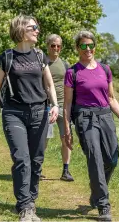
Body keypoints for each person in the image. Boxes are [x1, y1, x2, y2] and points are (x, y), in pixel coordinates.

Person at [0, 15, 59, 222]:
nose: (38, 30)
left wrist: (55, 105)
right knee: (21, 159)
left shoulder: (40, 56)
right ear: (21, 30)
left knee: (36, 161)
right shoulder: (7, 57)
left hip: (39, 113)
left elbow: (49, 85)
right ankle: (25, 207)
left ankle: (30, 203)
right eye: (34, 27)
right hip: (14, 113)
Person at [63, 30, 119, 221]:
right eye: (83, 46)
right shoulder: (72, 72)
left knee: (111, 159)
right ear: (78, 48)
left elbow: (111, 98)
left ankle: (96, 191)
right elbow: (67, 104)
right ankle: (103, 204)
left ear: (95, 46)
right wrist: (67, 129)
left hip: (105, 116)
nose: (88, 49)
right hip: (84, 118)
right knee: (95, 157)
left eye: (91, 45)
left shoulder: (105, 69)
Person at [43, 34, 74, 182]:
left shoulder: (65, 64)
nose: (56, 48)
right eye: (53, 45)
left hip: (63, 107)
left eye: (58, 46)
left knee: (66, 138)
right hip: (46, 107)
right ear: (47, 46)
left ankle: (66, 171)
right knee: (43, 139)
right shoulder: (41, 62)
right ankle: (38, 169)